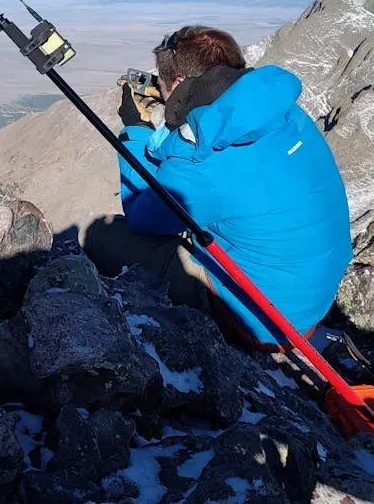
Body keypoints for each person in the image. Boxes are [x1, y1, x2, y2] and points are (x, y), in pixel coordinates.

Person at [83, 25, 353, 350]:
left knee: (102, 234)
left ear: (181, 84)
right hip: (312, 296)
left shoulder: (201, 165)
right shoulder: (284, 113)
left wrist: (137, 129)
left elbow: (143, 215)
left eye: (166, 84)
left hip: (266, 322)